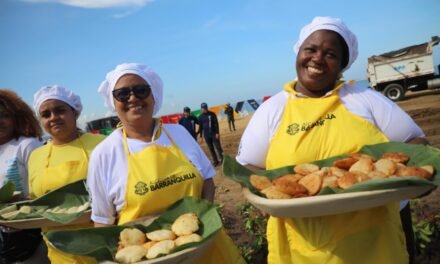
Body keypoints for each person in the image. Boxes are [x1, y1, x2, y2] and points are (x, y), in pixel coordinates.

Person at [236, 17, 427, 264]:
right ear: (298, 52)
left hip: (377, 241)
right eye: (311, 49)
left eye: (330, 54)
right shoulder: (272, 109)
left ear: (341, 65)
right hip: (301, 246)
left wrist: (401, 177)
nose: (317, 58)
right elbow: (248, 168)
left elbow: (417, 142)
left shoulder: (365, 99)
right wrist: (263, 198)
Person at [87, 63, 244, 263]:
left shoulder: (179, 133)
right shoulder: (104, 154)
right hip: (143, 257)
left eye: (141, 90)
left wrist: (203, 221)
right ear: (113, 101)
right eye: (122, 93)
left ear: (154, 96)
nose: (133, 97)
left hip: (204, 248)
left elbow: (207, 181)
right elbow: (102, 221)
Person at [28, 85, 105, 263]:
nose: (53, 118)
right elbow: (36, 202)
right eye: (46, 114)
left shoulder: (102, 144)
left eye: (60, 110)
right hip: (59, 253)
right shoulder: (36, 156)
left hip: (103, 247)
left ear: (75, 112)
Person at [0, 89, 48, 264]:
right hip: (5, 236)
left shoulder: (27, 145)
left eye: (4, 115)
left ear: (16, 118)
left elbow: (46, 189)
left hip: (33, 232)